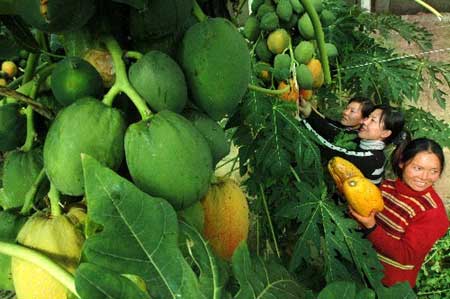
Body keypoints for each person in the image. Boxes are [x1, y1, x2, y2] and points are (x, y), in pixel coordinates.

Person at [349, 138, 449, 288]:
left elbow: (406, 255)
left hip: (388, 286)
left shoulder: (432, 212)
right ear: (402, 163)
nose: (424, 177)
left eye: (433, 171)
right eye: (418, 168)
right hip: (358, 268)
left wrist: (371, 227)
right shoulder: (385, 187)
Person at [299, 99, 406, 184]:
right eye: (368, 117)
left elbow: (331, 150)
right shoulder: (362, 140)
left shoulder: (371, 159)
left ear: (385, 133)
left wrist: (300, 123)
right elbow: (334, 132)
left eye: (372, 120)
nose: (364, 121)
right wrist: (309, 112)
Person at [303, 97, 374, 144]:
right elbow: (328, 122)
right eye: (346, 108)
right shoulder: (348, 127)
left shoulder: (358, 138)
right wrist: (310, 108)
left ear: (364, 119)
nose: (345, 112)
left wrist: (310, 113)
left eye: (352, 111)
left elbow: (331, 131)